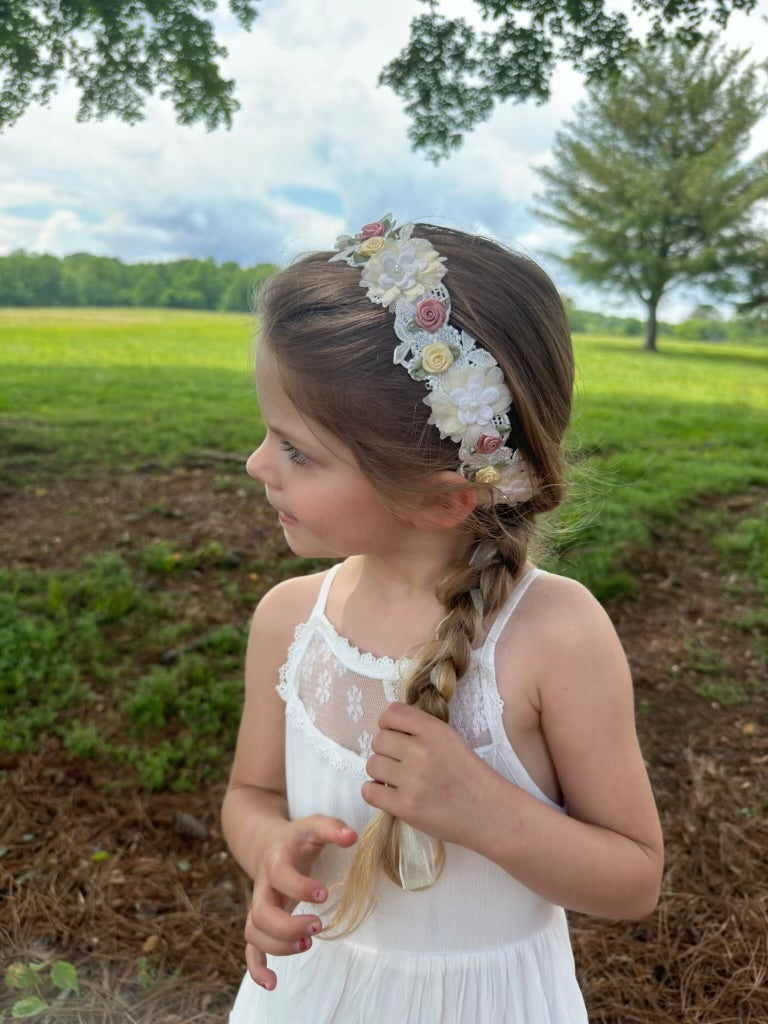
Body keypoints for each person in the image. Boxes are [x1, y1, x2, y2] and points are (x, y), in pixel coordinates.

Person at [221, 215, 663, 1023]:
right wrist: (267, 851)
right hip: (310, 994)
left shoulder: (554, 636)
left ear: (442, 498)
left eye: (296, 451)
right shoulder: (289, 621)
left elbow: (634, 876)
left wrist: (490, 812)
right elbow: (250, 792)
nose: (256, 464)